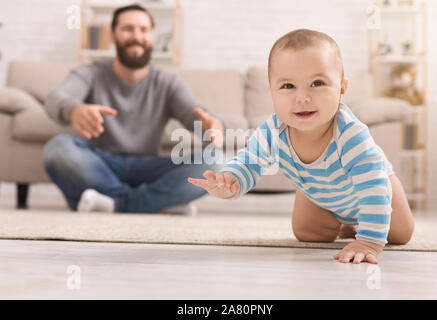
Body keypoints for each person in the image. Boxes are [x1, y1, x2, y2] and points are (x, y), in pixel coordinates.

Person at [188, 29, 415, 264]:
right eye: (288, 86)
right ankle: (347, 224)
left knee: (400, 234)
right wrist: (230, 180)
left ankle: (360, 227)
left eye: (317, 83)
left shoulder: (350, 135)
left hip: (376, 190)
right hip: (321, 196)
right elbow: (249, 161)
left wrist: (368, 241)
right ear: (272, 93)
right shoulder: (273, 131)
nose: (302, 97)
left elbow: (373, 188)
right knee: (307, 233)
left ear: (341, 88)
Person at [43, 4, 224, 215]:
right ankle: (156, 204)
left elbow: (196, 115)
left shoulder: (166, 82)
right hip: (102, 165)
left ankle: (113, 203)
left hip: (149, 168)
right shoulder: (90, 73)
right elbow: (55, 99)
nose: (136, 36)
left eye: (144, 30)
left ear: (152, 36)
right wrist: (74, 110)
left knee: (216, 161)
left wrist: (213, 126)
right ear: (113, 36)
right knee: (57, 149)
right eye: (128, 29)